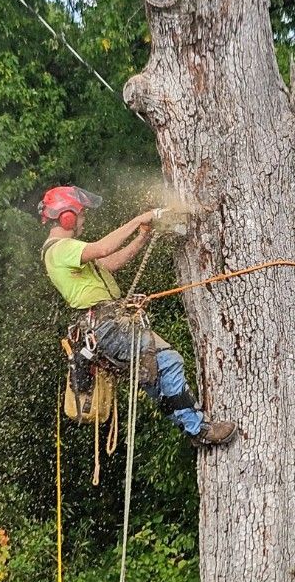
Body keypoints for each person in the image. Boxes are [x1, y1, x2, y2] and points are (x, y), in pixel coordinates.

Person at [38, 185, 237, 447]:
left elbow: (111, 263)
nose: (84, 221)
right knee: (168, 360)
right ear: (67, 216)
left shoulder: (71, 253)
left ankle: (191, 426)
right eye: (82, 215)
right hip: (104, 326)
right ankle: (198, 428)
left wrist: (142, 237)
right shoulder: (59, 249)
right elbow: (101, 250)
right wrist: (137, 219)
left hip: (108, 321)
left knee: (154, 376)